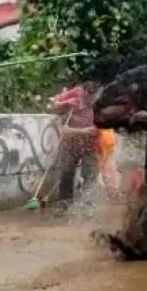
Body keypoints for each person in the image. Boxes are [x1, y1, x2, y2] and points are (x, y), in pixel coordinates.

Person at [50, 81, 100, 209]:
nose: (87, 99)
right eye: (85, 95)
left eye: (91, 96)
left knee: (89, 177)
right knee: (66, 174)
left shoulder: (97, 109)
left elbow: (92, 131)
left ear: (94, 95)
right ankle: (64, 203)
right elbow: (54, 107)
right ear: (82, 92)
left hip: (90, 148)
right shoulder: (73, 102)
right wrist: (64, 103)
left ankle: (88, 206)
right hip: (70, 147)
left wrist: (70, 131)